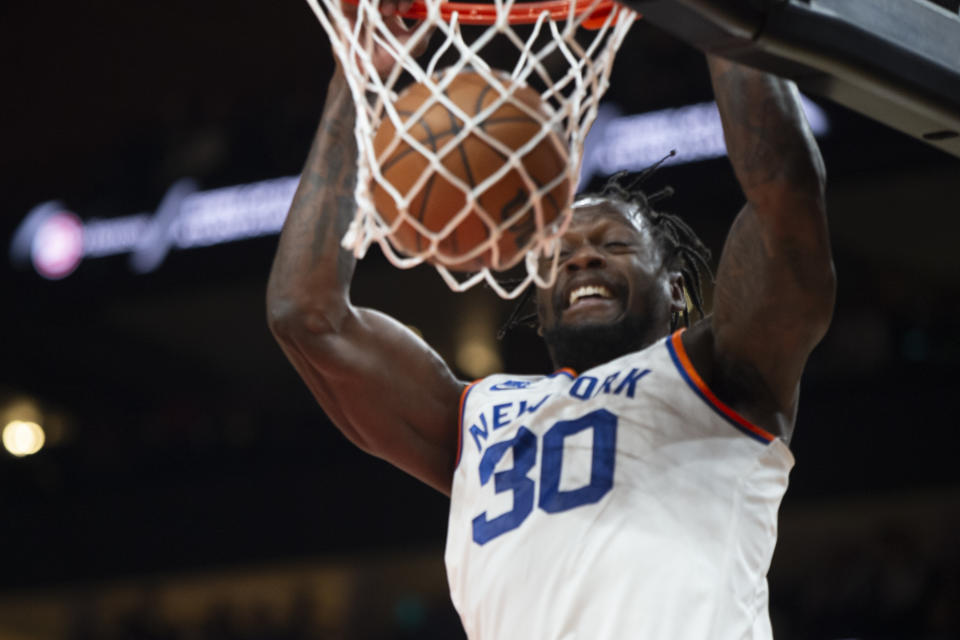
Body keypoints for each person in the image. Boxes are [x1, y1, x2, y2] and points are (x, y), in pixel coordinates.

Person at [266, 6, 835, 636]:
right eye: (560, 254)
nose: (582, 255)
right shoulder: (475, 416)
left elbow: (784, 195)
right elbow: (306, 316)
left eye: (615, 245)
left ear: (675, 291)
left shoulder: (722, 371)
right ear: (537, 304)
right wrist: (357, 74)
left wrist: (724, 20)